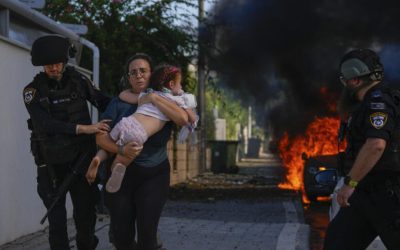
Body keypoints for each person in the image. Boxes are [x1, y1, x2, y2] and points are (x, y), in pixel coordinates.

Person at [91, 53, 190, 250]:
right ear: (128, 78)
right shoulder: (118, 104)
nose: (138, 75)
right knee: (122, 239)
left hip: (154, 175)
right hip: (121, 176)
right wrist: (121, 149)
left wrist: (153, 98)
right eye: (133, 72)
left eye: (143, 71)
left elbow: (183, 118)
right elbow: (101, 137)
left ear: (151, 74)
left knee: (147, 238)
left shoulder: (165, 97)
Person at [23, 35, 111, 250]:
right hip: (51, 165)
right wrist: (83, 129)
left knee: (85, 220)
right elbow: (45, 124)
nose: (53, 68)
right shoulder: (31, 91)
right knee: (57, 225)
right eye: (48, 64)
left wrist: (133, 107)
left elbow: (103, 102)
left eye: (57, 63)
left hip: (81, 161)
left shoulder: (79, 82)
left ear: (64, 61)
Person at [324, 48, 400, 249]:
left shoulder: (378, 103)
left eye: (346, 80)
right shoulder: (368, 104)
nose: (345, 86)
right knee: (337, 243)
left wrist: (350, 183)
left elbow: (376, 145)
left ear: (355, 80)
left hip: (390, 195)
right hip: (365, 194)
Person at [86, 65, 197, 193]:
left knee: (109, 146)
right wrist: (188, 108)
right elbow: (191, 118)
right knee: (124, 158)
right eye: (180, 84)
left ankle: (98, 159)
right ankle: (116, 168)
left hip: (126, 122)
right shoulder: (177, 100)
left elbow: (124, 95)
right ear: (172, 84)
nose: (181, 87)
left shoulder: (148, 93)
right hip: (139, 133)